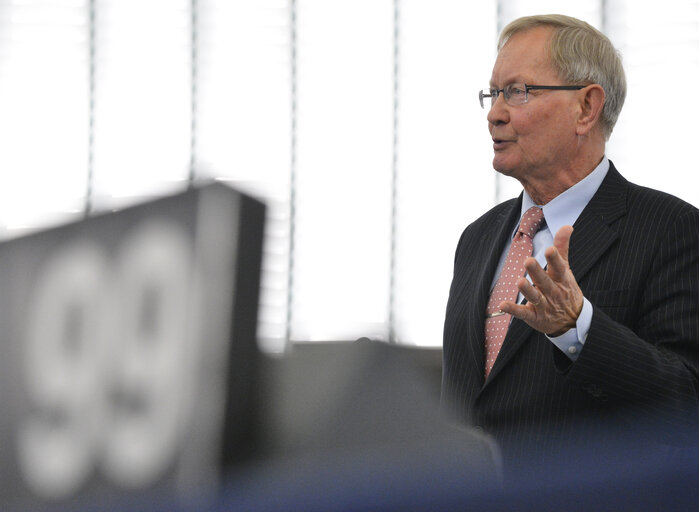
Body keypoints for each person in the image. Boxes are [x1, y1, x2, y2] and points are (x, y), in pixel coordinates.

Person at [441, 14, 699, 460]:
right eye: (493, 93)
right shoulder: (477, 238)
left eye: (518, 92)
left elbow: (687, 402)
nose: (495, 113)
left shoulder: (670, 229)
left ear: (586, 107)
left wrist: (576, 327)